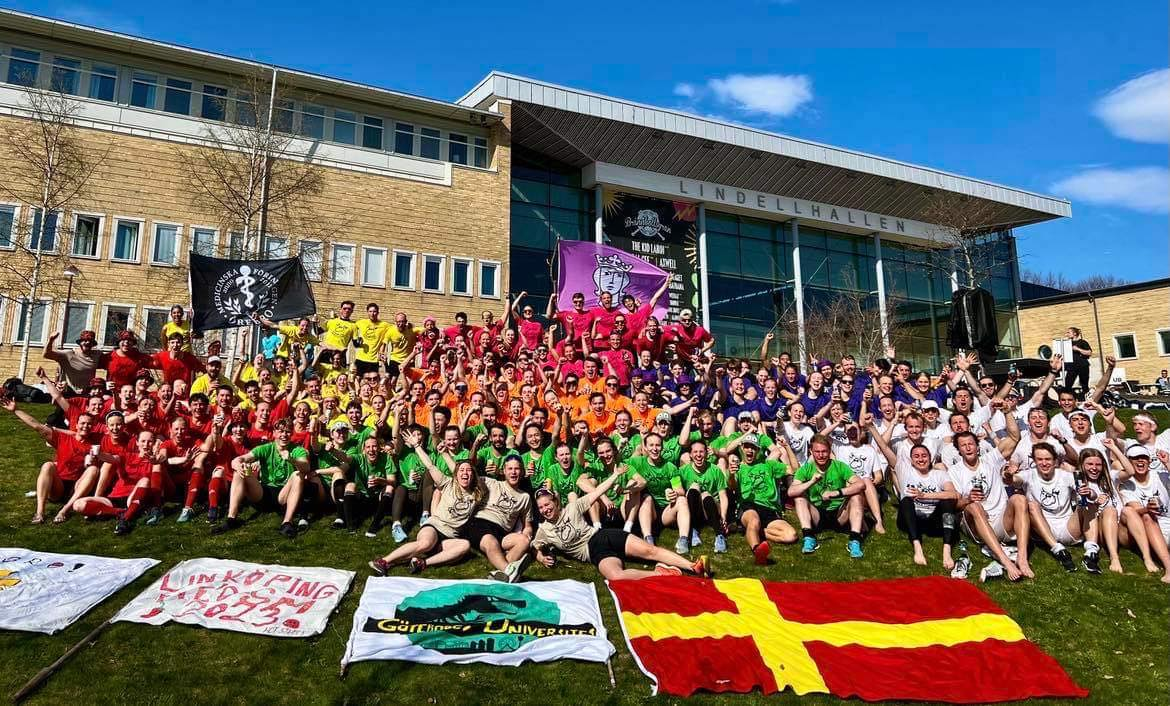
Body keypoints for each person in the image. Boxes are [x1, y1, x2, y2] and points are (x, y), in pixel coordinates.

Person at [531, 466, 709, 580]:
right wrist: (541, 557)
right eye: (541, 507)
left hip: (602, 536)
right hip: (593, 552)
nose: (545, 509)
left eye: (547, 504)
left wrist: (615, 475)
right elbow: (534, 547)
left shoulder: (572, 508)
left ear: (556, 502)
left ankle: (692, 566)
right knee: (616, 576)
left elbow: (597, 491)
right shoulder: (544, 530)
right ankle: (661, 574)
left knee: (650, 551)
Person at [368, 431, 479, 575]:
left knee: (465, 546)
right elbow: (430, 466)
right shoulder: (448, 483)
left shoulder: (478, 493)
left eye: (469, 471)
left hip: (450, 536)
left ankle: (423, 562)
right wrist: (417, 446)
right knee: (426, 543)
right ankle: (383, 561)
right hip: (434, 527)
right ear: (456, 474)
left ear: (473, 475)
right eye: (462, 470)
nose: (465, 473)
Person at [3, 397, 100, 524]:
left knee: (93, 469)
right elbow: (37, 426)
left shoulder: (96, 443)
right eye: (82, 423)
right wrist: (16, 410)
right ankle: (39, 513)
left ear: (93, 427)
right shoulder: (63, 438)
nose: (85, 426)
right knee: (48, 465)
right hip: (58, 486)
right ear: (76, 425)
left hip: (77, 487)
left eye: (89, 424)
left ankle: (64, 510)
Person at [212, 418, 310, 538]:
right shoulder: (266, 448)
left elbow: (306, 468)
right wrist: (237, 464)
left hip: (284, 495)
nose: (284, 435)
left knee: (297, 475)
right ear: (274, 433)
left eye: (288, 432)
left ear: (292, 433)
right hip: (263, 493)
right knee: (240, 472)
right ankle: (231, 519)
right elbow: (241, 459)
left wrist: (292, 459)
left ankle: (287, 522)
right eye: (280, 431)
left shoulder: (297, 450)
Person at [722, 433, 798, 564]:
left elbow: (795, 469)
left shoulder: (769, 465)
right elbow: (732, 487)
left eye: (753, 447)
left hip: (770, 508)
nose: (749, 450)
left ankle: (757, 531)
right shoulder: (738, 468)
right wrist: (732, 475)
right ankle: (757, 551)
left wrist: (787, 447)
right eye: (747, 447)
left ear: (758, 450)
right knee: (754, 521)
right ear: (742, 448)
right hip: (749, 506)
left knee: (791, 535)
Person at [789, 434, 867, 559]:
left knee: (857, 495)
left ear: (830, 451)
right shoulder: (806, 469)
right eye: (817, 452)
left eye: (824, 451)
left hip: (839, 514)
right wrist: (811, 482)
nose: (821, 455)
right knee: (799, 497)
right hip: (817, 514)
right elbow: (791, 492)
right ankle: (808, 537)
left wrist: (836, 493)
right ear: (811, 451)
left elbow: (861, 484)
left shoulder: (839, 466)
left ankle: (855, 540)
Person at [1011, 443, 1080, 572]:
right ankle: (1058, 550)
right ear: (1034, 461)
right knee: (1032, 505)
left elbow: (1083, 489)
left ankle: (1091, 552)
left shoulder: (1066, 476)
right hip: (1041, 530)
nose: (1044, 463)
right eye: (1040, 459)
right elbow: (1014, 480)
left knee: (1085, 505)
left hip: (1068, 528)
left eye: (1048, 459)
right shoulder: (1028, 475)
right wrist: (1007, 475)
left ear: (1055, 461)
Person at [469, 455, 535, 583]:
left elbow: (527, 525)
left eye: (517, 469)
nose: (513, 472)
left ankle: (500, 573)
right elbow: (469, 476)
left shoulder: (525, 497)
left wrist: (528, 533)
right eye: (510, 469)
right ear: (504, 471)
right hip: (480, 523)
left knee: (524, 541)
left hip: (502, 532)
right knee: (490, 541)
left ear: (522, 472)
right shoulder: (491, 483)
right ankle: (509, 570)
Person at [1117, 446, 1170, 583]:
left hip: (1167, 522)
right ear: (1129, 461)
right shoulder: (1127, 484)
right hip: (1147, 530)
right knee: (1147, 516)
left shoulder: (1159, 475)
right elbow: (1134, 509)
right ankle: (1169, 568)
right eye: (1135, 458)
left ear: (1149, 461)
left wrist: (1167, 463)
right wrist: (1147, 509)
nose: (1140, 461)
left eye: (1143, 458)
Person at [42, 329, 102, 393]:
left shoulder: (96, 355)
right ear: (80, 342)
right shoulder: (68, 354)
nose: (88, 342)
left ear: (93, 344)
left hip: (86, 393)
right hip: (68, 392)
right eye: (85, 340)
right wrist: (51, 340)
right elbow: (46, 354)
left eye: (90, 341)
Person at [1063, 327, 1092, 396]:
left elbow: (1089, 353)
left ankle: (1085, 398)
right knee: (1068, 384)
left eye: (1069, 332)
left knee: (1084, 384)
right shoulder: (1067, 343)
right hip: (1071, 366)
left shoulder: (1082, 342)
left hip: (1082, 365)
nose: (1067, 334)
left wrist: (1078, 349)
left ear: (1075, 333)